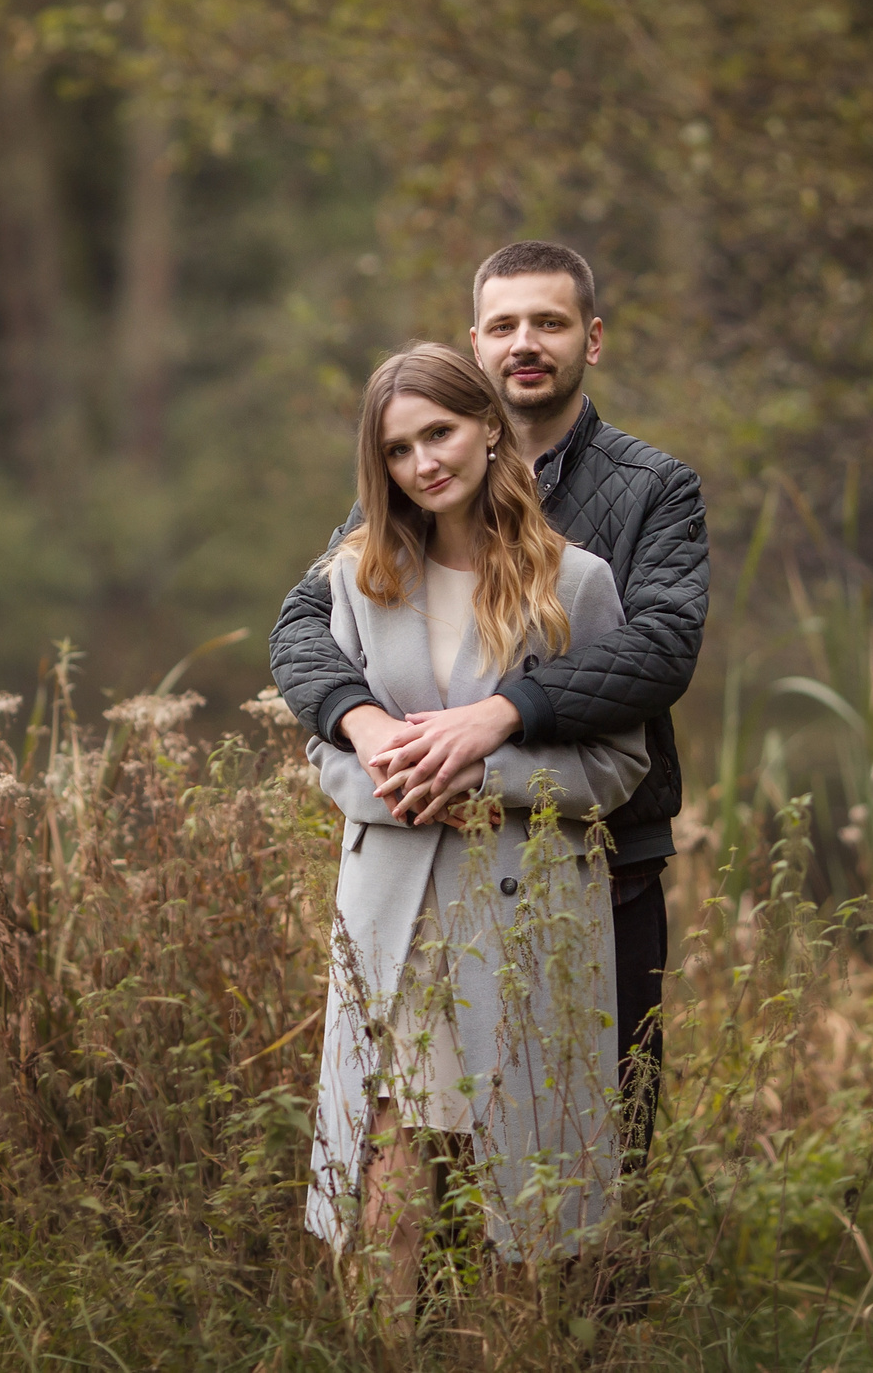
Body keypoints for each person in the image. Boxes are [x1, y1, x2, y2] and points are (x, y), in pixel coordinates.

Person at [271, 241, 709, 1148]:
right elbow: (301, 627)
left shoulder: (652, 488)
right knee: (421, 1135)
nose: (526, 343)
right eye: (504, 324)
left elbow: (661, 647)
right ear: (476, 345)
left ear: (591, 338)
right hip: (438, 859)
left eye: (548, 322)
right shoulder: (416, 479)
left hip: (602, 856)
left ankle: (590, 1299)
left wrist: (500, 715)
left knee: (593, 1133)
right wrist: (367, 726)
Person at [295, 342, 647, 1290]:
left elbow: (621, 764)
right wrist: (405, 785)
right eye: (400, 450)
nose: (425, 462)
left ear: (490, 426)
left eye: (440, 432)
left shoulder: (576, 582)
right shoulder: (357, 579)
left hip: (528, 911)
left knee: (526, 1159)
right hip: (394, 912)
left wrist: (490, 786)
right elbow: (327, 750)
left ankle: (518, 1346)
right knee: (391, 1145)